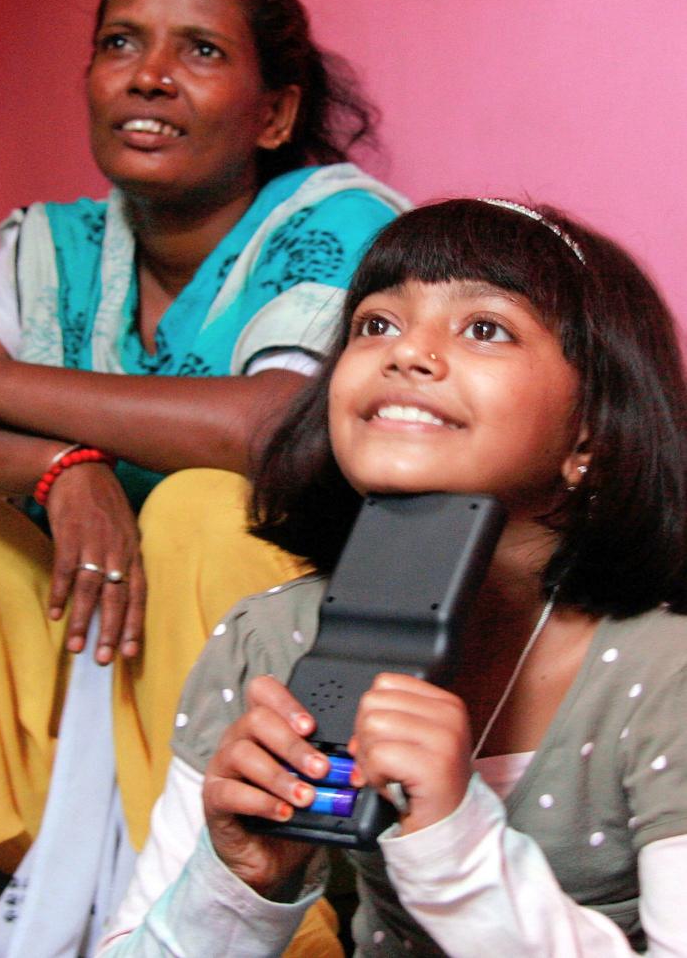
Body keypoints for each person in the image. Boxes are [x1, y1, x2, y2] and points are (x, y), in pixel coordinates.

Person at [0, 0, 409, 954]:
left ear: (276, 112)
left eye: (199, 50)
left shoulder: (336, 225)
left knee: (204, 505)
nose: (149, 74)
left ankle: (247, 909)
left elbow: (269, 423)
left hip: (305, 701)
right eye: (121, 42)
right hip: (91, 690)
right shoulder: (52, 247)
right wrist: (56, 466)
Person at [97, 197, 687, 956]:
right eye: (377, 323)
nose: (407, 354)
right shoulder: (271, 640)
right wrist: (241, 881)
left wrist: (455, 844)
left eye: (485, 327)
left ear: (591, 432)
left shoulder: (665, 671)